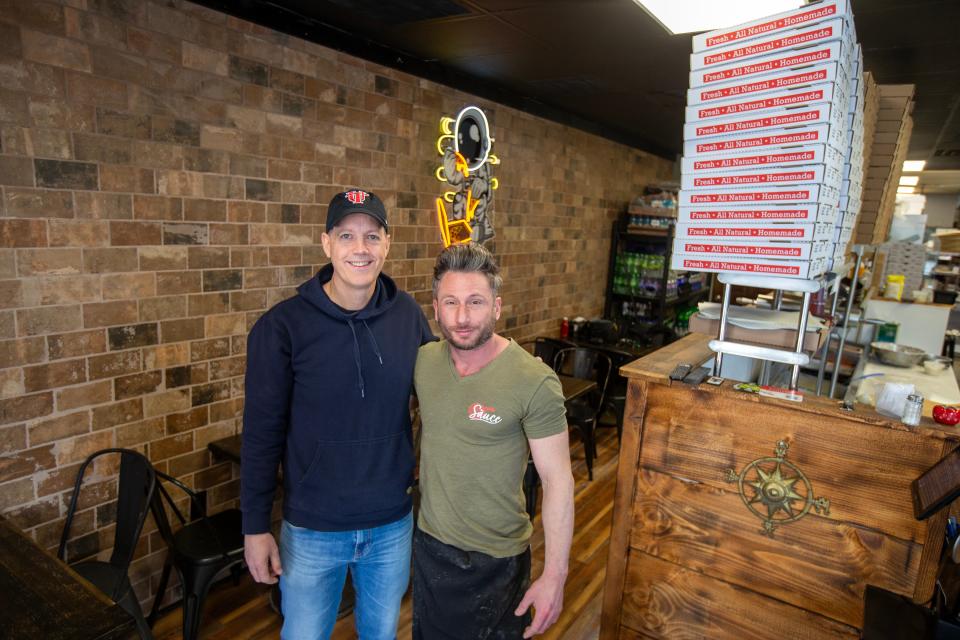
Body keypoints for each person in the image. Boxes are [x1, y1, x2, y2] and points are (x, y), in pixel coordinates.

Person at [241, 188, 433, 639]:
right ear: (326, 244)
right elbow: (260, 435)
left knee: (381, 634)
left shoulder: (408, 316)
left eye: (371, 236)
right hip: (312, 529)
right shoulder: (282, 326)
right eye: (347, 235)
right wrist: (254, 527)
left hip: (391, 523)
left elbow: (440, 393)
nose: (360, 248)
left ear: (388, 243)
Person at [413, 243, 575, 639]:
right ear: (435, 308)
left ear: (497, 307)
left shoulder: (532, 380)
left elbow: (558, 481)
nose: (462, 317)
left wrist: (555, 575)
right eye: (450, 302)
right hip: (430, 549)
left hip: (497, 561)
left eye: (476, 302)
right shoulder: (423, 363)